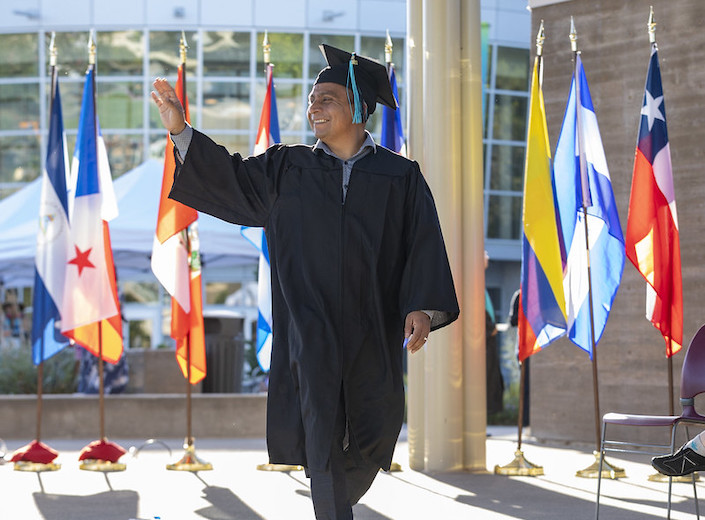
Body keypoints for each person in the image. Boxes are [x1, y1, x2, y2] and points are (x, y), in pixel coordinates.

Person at [152, 44, 459, 519]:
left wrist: (421, 305)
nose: (314, 107)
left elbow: (423, 243)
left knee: (372, 435)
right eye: (312, 99)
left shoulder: (400, 176)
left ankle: (334, 492)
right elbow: (230, 179)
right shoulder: (286, 168)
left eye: (327, 99)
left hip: (371, 328)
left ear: (359, 108)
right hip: (308, 328)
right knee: (322, 438)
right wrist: (180, 129)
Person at [484, 251, 504, 418]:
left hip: (488, 343)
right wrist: (490, 328)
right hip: (482, 345)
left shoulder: (480, 281)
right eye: (484, 254)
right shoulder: (473, 282)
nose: (488, 256)